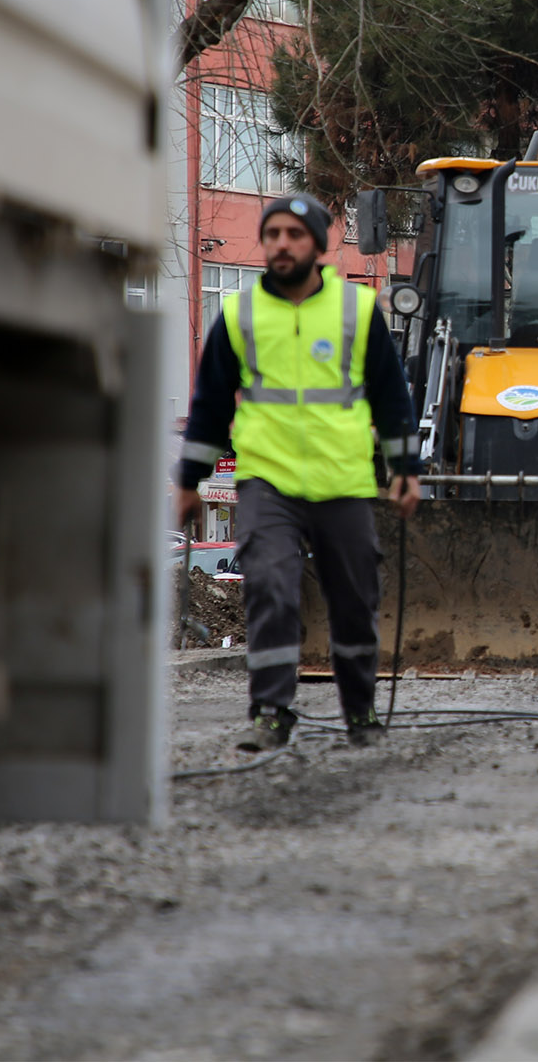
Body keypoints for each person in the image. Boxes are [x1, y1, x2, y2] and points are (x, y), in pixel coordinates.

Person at [174, 195, 421, 752]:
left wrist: (406, 469)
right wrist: (189, 480)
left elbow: (391, 397)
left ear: (317, 244)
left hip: (343, 482)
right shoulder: (238, 316)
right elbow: (211, 406)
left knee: (355, 599)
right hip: (268, 480)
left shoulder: (357, 310)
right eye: (273, 234)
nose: (281, 243)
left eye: (293, 234)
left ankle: (359, 713)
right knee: (270, 588)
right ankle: (270, 712)